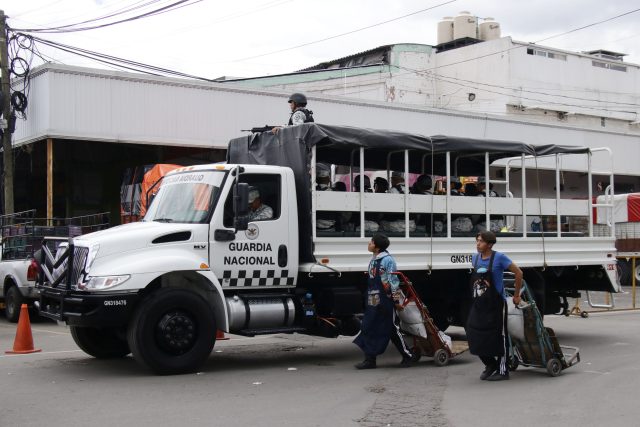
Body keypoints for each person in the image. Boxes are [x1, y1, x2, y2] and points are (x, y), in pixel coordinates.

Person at [465, 231, 523, 381]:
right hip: (479, 304)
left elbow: (518, 273)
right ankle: (490, 364)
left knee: (499, 337)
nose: (478, 244)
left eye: (481, 242)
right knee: (473, 333)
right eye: (477, 241)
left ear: (489, 244)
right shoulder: (475, 258)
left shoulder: (499, 258)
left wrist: (516, 295)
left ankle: (503, 371)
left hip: (496, 304)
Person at [353, 233, 413, 369]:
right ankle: (370, 360)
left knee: (391, 329)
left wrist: (396, 301)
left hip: (385, 301)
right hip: (373, 300)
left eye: (371, 242)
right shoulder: (374, 259)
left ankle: (408, 355)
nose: (369, 244)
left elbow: (393, 282)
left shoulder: (388, 260)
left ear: (377, 246)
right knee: (368, 327)